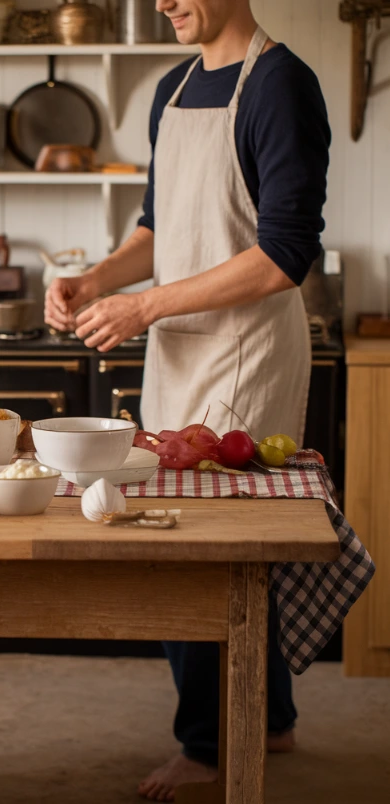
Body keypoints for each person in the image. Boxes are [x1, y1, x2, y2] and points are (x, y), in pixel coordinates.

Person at [44, 0, 330, 800]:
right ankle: (269, 717)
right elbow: (157, 228)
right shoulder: (173, 88)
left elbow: (284, 253)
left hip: (246, 357)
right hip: (177, 353)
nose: (163, 1)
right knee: (206, 543)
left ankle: (208, 745)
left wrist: (146, 307)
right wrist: (97, 281)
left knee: (200, 550)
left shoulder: (281, 86)